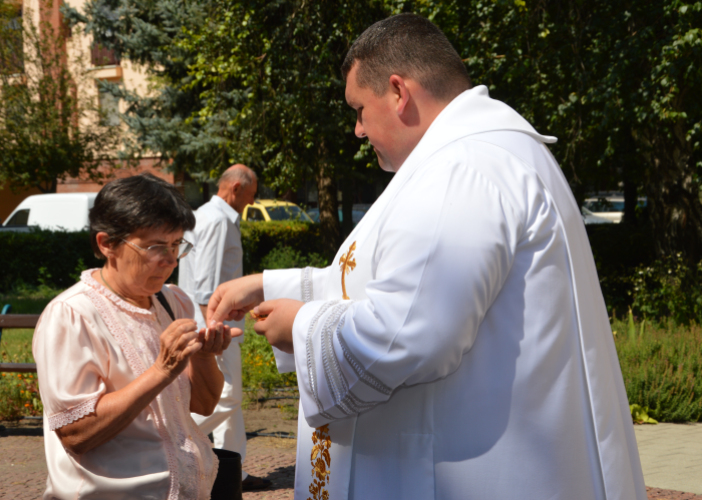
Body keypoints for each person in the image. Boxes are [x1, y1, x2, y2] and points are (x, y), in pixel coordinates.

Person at [206, 13, 647, 500]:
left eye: (359, 109)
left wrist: (301, 325)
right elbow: (384, 280)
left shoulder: (461, 169)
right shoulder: (472, 158)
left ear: (399, 92)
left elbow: (405, 334)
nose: (356, 130)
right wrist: (267, 287)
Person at [32, 173, 238, 499]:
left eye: (176, 245)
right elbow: (77, 433)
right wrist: (161, 371)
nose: (169, 260)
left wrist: (203, 355)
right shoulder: (72, 315)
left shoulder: (173, 301)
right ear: (107, 244)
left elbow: (203, 403)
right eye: (155, 246)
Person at [179, 164, 271, 491]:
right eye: (251, 194)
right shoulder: (219, 220)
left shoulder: (202, 215)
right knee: (228, 398)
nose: (251, 201)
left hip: (208, 322)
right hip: (216, 328)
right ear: (234, 189)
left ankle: (235, 472)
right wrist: (213, 332)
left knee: (232, 403)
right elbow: (206, 283)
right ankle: (174, 441)